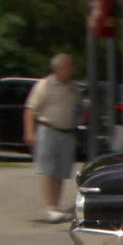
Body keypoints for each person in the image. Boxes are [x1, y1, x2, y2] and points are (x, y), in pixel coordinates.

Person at [23, 53, 81, 223]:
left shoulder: (73, 88)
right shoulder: (44, 85)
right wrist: (29, 132)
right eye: (68, 66)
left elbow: (78, 106)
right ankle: (50, 208)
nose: (71, 69)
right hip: (48, 130)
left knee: (61, 171)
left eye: (72, 66)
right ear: (58, 68)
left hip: (67, 132)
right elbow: (30, 109)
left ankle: (56, 206)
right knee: (48, 170)